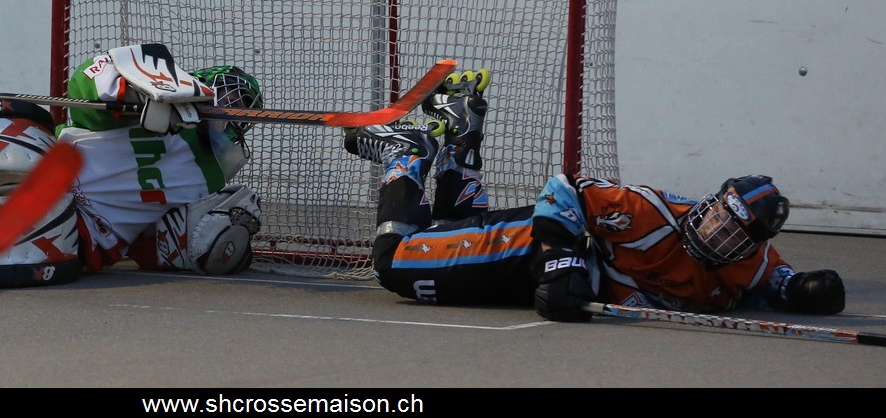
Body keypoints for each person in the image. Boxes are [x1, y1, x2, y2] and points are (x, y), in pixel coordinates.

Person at [341, 68, 846, 321]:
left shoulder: (750, 263)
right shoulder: (652, 211)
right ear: (713, 201)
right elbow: (565, 189)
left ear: (747, 245)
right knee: (394, 264)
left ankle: (459, 132)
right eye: (716, 214)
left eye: (730, 232)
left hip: (536, 284)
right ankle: (406, 153)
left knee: (448, 231)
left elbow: (781, 282)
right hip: (531, 249)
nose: (714, 229)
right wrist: (561, 259)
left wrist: (810, 291)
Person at [0, 43, 264, 291]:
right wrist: (128, 92)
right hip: (52, 163)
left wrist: (230, 237)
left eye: (241, 110)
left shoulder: (211, 178)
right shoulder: (150, 100)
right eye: (228, 96)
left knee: (50, 231)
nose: (231, 111)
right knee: (26, 126)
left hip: (83, 231)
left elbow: (163, 246)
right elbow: (87, 83)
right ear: (203, 84)